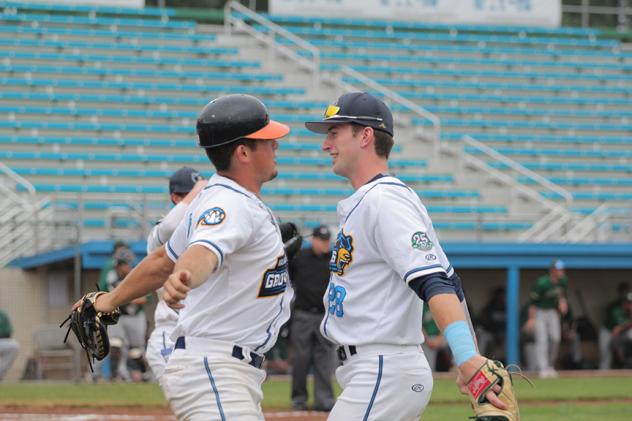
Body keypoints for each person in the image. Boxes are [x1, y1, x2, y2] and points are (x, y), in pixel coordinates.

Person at [75, 94, 294, 420]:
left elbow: (163, 260)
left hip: (222, 369)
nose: (275, 145)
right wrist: (185, 276)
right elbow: (199, 254)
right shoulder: (231, 204)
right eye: (267, 140)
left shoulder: (219, 197)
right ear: (243, 152)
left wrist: (109, 301)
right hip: (216, 368)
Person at [304, 92, 507, 420]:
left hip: (384, 367)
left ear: (366, 135)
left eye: (334, 133)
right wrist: (467, 357)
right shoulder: (374, 199)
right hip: (375, 369)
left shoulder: (384, 200)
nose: (326, 144)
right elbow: (452, 283)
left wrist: (467, 357)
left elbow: (436, 283)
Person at [145, 166, 206, 384]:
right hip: (171, 334)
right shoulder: (161, 232)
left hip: (201, 337)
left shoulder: (207, 233)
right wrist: (200, 189)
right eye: (191, 194)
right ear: (175, 198)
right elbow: (171, 224)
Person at [289, 224, 335, 412]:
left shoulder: (333, 259)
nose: (324, 244)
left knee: (324, 359)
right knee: (301, 359)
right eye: (321, 240)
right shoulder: (300, 258)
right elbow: (288, 278)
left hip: (325, 316)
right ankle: (298, 399)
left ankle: (324, 399)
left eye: (327, 241)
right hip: (303, 314)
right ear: (313, 239)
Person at [103, 247, 148, 382]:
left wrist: (124, 297)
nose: (127, 267)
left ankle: (145, 374)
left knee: (136, 351)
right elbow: (109, 296)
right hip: (118, 315)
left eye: (128, 263)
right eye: (124, 264)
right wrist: (126, 297)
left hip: (135, 316)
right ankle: (114, 376)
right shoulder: (111, 276)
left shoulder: (136, 275)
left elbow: (144, 299)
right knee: (115, 344)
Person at [530, 259, 569, 378]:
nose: (561, 271)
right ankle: (542, 367)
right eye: (559, 269)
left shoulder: (563, 281)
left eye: (562, 269)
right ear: (552, 270)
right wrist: (531, 319)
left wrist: (563, 302)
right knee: (542, 339)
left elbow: (561, 294)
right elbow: (533, 303)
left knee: (555, 338)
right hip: (540, 311)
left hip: (552, 312)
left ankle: (550, 366)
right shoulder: (542, 283)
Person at [601, 287, 632, 369]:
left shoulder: (629, 311)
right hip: (608, 331)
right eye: (628, 302)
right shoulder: (615, 308)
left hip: (621, 333)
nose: (630, 304)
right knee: (605, 356)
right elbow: (616, 329)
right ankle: (603, 374)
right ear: (623, 302)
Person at [477, 287, 507, 362]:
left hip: (503, 335)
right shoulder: (489, 308)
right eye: (500, 296)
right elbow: (485, 323)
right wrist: (496, 334)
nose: (502, 298)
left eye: (503, 296)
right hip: (491, 333)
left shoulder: (508, 308)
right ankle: (479, 361)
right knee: (484, 337)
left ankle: (509, 363)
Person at [0, 308, 20, 381]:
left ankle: (0, 373)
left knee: (14, 345)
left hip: (2, 340)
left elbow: (8, 332)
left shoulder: (2, 315)